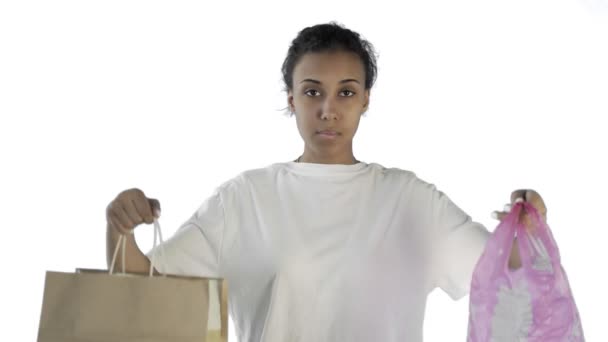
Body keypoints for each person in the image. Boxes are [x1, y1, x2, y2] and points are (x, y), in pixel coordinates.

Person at [105, 22, 547, 342]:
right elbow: (141, 285)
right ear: (291, 100)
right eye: (313, 92)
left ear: (366, 101)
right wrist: (118, 226)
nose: (328, 110)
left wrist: (530, 224)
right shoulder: (246, 199)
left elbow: (506, 266)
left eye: (347, 92)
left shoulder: (410, 200)